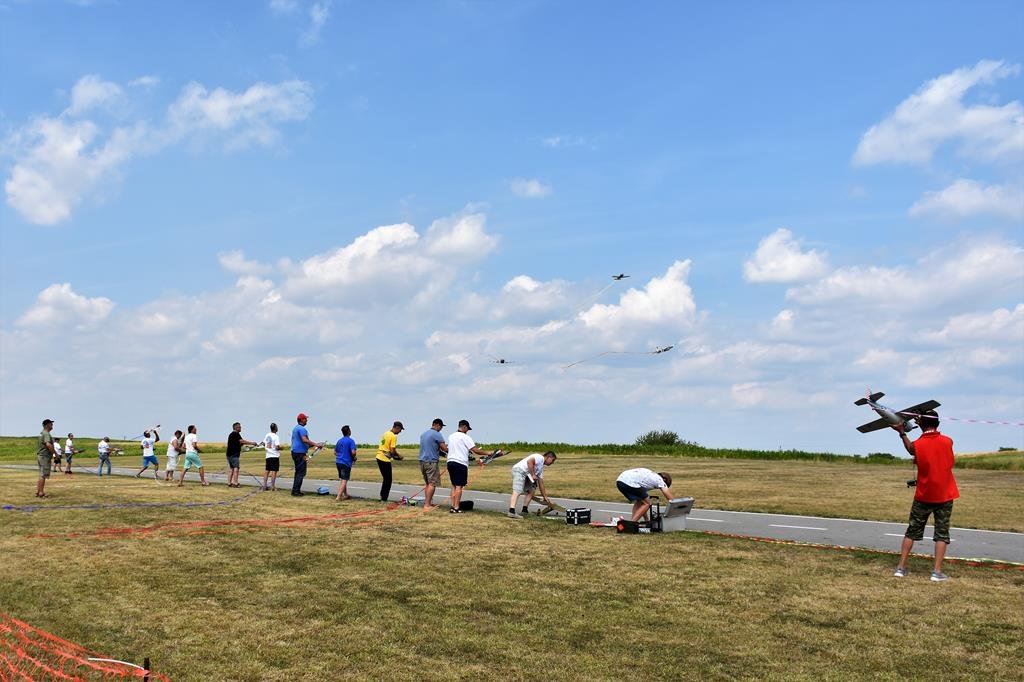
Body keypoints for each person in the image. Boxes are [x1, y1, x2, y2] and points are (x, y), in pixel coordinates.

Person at [892, 410, 959, 582]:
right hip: (945, 495)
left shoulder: (918, 444)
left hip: (923, 496)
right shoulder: (948, 441)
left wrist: (902, 432)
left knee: (911, 532)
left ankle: (901, 568)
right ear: (937, 423)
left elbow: (910, 449)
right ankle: (936, 572)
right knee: (942, 533)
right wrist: (922, 422)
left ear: (921, 424)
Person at [446, 419, 492, 514]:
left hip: (450, 462)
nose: (467, 431)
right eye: (467, 429)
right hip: (460, 463)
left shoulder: (451, 436)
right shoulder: (465, 437)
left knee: (454, 485)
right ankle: (456, 508)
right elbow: (475, 450)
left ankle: (453, 506)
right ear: (464, 427)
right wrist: (488, 453)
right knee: (459, 486)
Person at [508, 451, 557, 518]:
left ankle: (524, 510)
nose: (552, 462)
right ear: (549, 457)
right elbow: (529, 462)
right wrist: (533, 475)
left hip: (527, 474)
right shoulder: (539, 457)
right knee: (518, 490)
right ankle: (511, 511)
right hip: (519, 470)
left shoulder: (541, 468)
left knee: (532, 490)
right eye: (553, 460)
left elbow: (541, 483)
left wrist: (545, 497)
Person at [290, 413, 323, 497]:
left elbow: (303, 442)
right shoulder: (302, 429)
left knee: (298, 472)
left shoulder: (296, 428)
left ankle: (295, 490)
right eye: (305, 419)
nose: (306, 420)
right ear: (301, 420)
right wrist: (316, 444)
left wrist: (315, 445)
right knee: (301, 472)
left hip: (295, 452)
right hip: (299, 453)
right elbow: (304, 440)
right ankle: (296, 491)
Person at [418, 418, 448, 511]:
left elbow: (433, 448)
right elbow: (444, 448)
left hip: (422, 461)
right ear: (437, 425)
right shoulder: (437, 434)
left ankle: (428, 502)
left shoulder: (423, 434)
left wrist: (443, 454)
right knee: (432, 484)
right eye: (441, 427)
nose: (441, 429)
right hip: (431, 462)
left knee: (428, 484)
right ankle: (427, 505)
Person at [376, 421, 404, 502]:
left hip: (379, 456)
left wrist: (394, 456)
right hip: (384, 459)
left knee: (386, 479)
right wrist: (398, 456)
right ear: (397, 427)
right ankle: (384, 498)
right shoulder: (393, 436)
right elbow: (392, 450)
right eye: (400, 429)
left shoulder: (386, 433)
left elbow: (383, 445)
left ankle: (382, 496)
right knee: (388, 480)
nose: (400, 431)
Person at [225, 422, 259, 488]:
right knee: (236, 468)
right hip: (234, 455)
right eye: (239, 427)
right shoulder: (236, 434)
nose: (240, 428)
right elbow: (242, 441)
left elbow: (238, 443)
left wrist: (242, 445)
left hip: (229, 455)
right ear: (236, 427)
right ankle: (235, 483)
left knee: (231, 469)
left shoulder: (231, 434)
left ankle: (229, 483)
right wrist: (252, 443)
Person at [334, 425, 357, 501]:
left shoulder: (339, 441)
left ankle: (345, 494)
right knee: (344, 480)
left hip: (338, 462)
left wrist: (341, 455)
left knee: (343, 479)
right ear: (349, 431)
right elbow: (353, 452)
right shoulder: (351, 441)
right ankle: (338, 497)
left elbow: (335, 452)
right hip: (346, 462)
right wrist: (354, 458)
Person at [36, 418, 56, 498]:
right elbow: (48, 444)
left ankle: (38, 492)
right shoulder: (46, 434)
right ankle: (41, 493)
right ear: (47, 425)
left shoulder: (42, 433)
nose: (52, 425)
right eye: (51, 423)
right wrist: (55, 454)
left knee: (41, 474)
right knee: (43, 475)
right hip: (44, 456)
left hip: (41, 456)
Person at [262, 423, 281, 491]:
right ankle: (272, 486)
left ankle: (264, 486)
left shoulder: (267, 435)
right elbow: (277, 447)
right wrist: (281, 448)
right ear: (275, 428)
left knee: (267, 471)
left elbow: (263, 443)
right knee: (274, 471)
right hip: (274, 455)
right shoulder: (276, 436)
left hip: (268, 455)